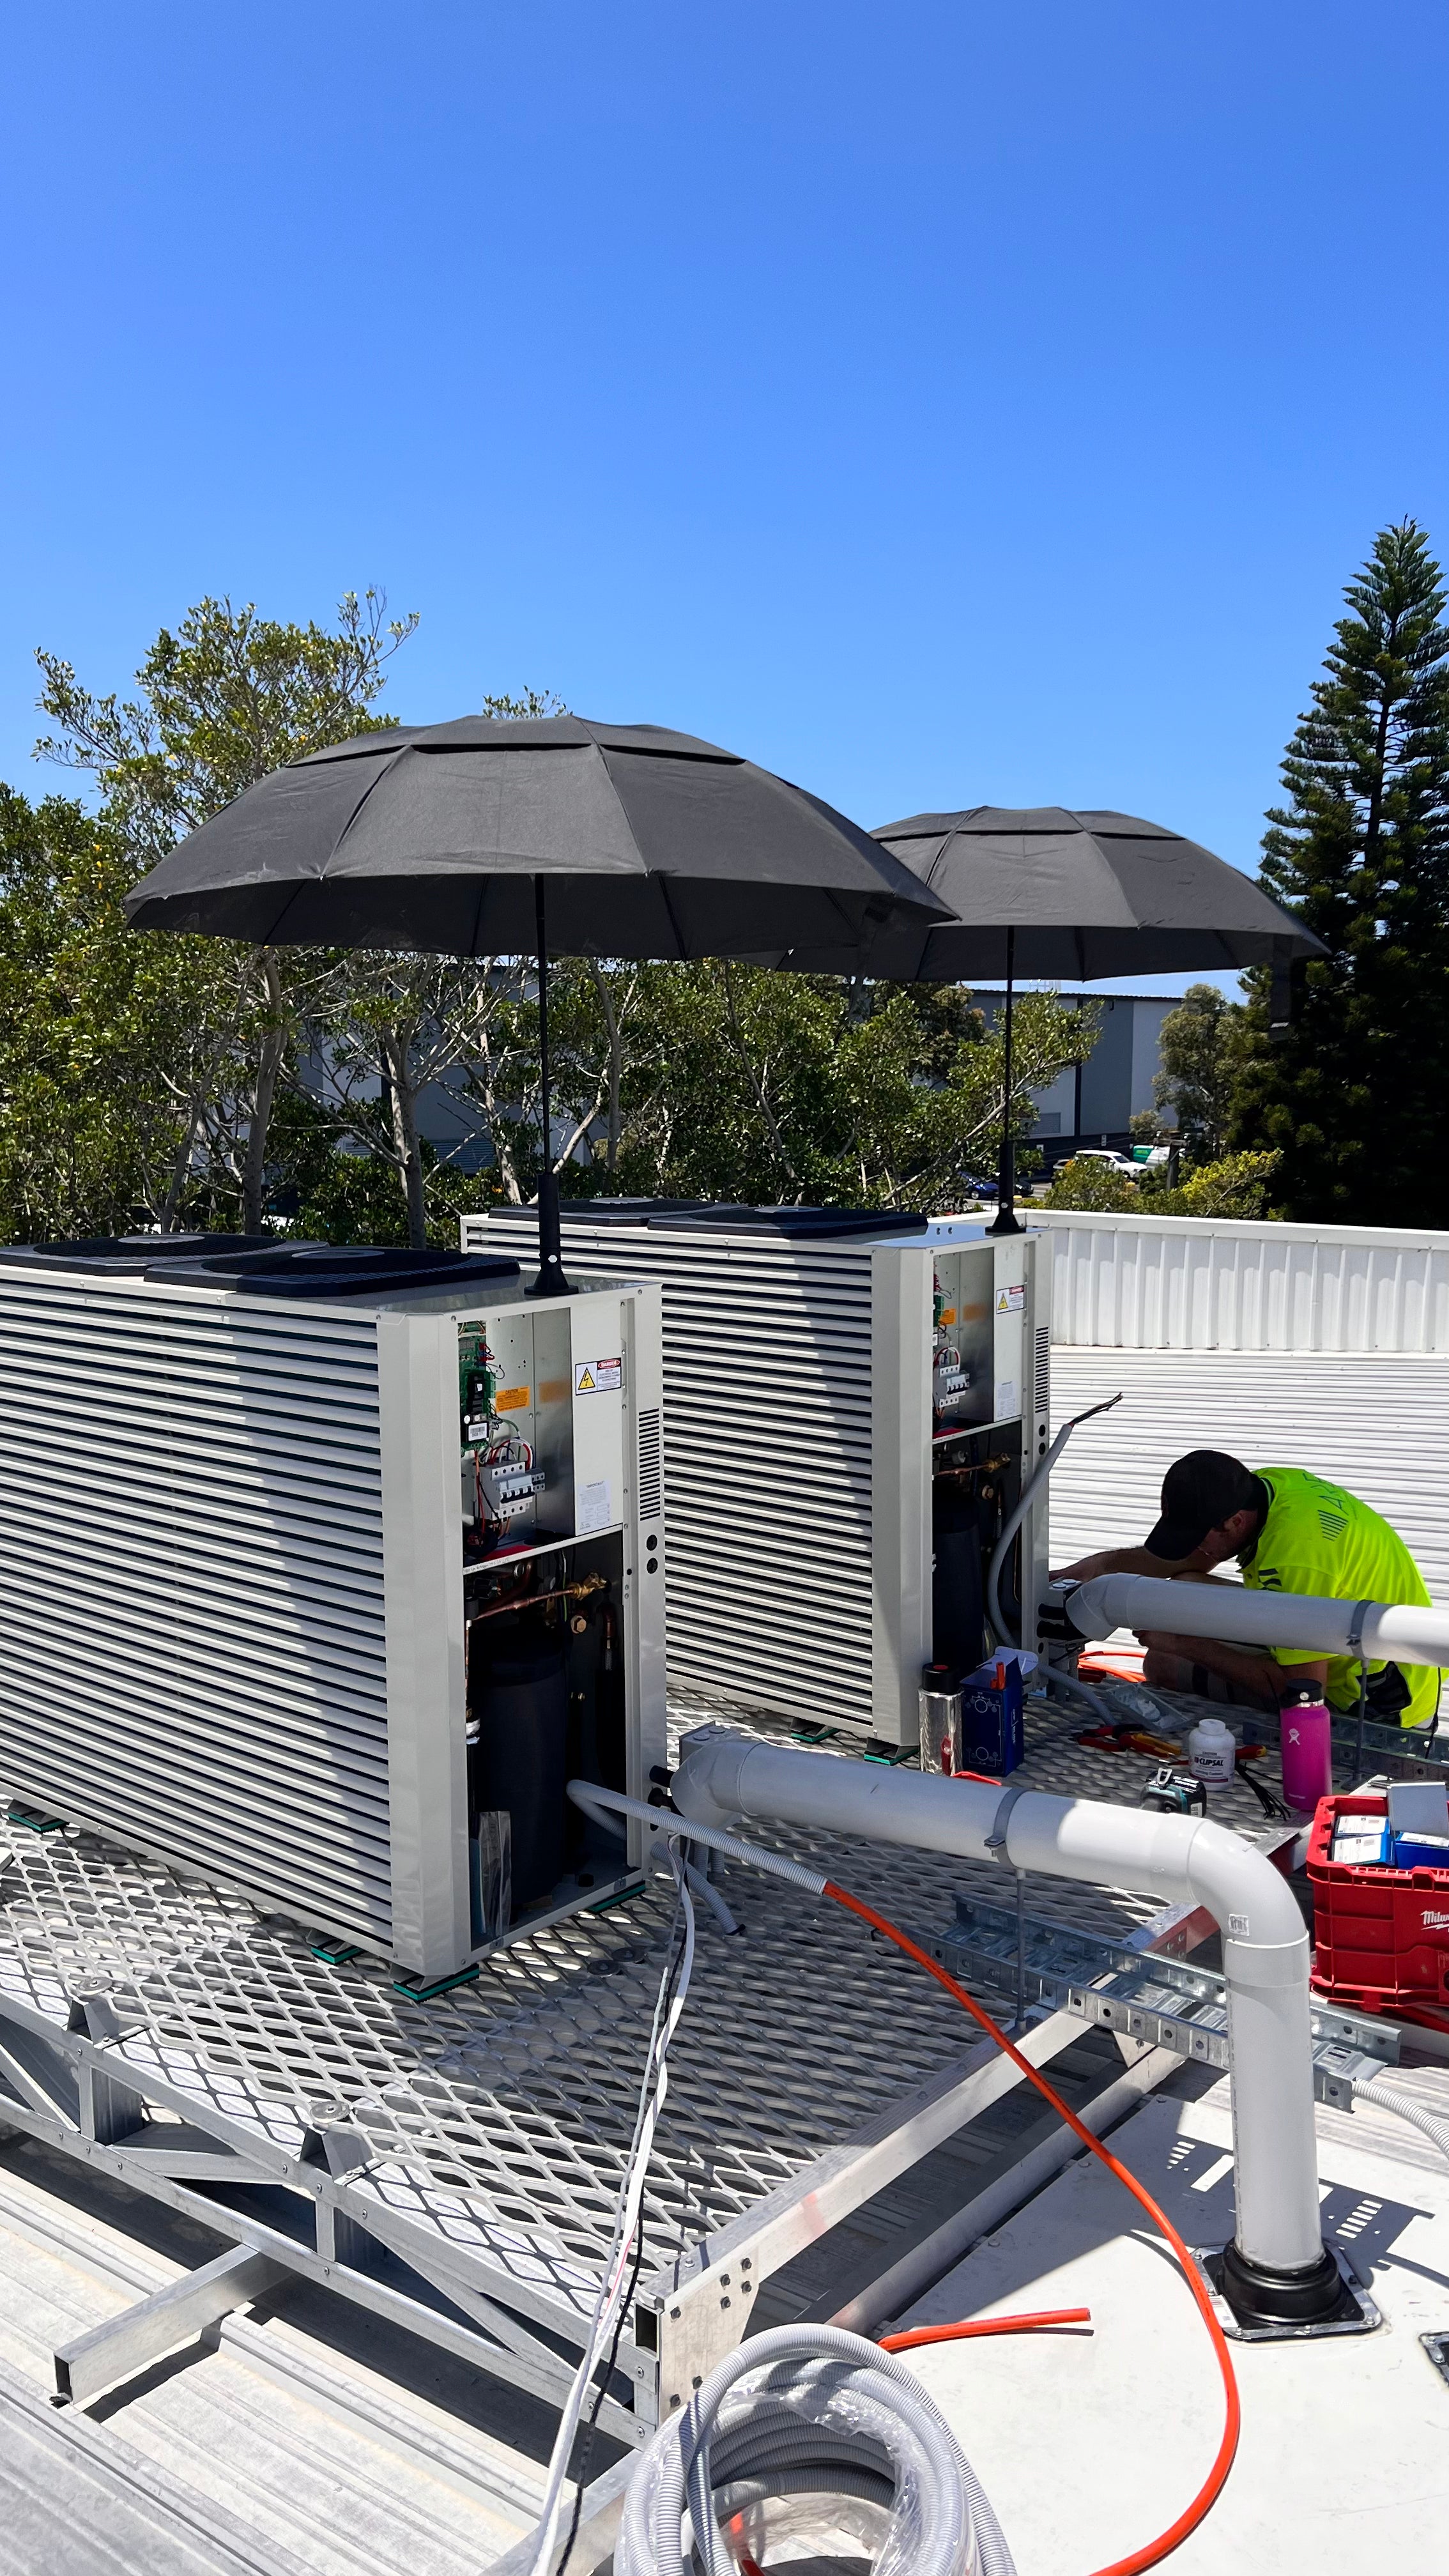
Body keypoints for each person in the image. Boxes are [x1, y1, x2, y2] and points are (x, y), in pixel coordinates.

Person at [1059, 1449, 1438, 1727]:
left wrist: (1183, 1643)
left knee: (1167, 1662)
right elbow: (1191, 1563)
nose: (1194, 1549)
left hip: (1380, 1703)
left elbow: (1302, 1694)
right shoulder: (1266, 1488)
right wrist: (1096, 1568)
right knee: (1182, 1603)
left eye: (1198, 1537)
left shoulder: (1296, 1562)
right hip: (1335, 1639)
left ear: (1235, 1523)